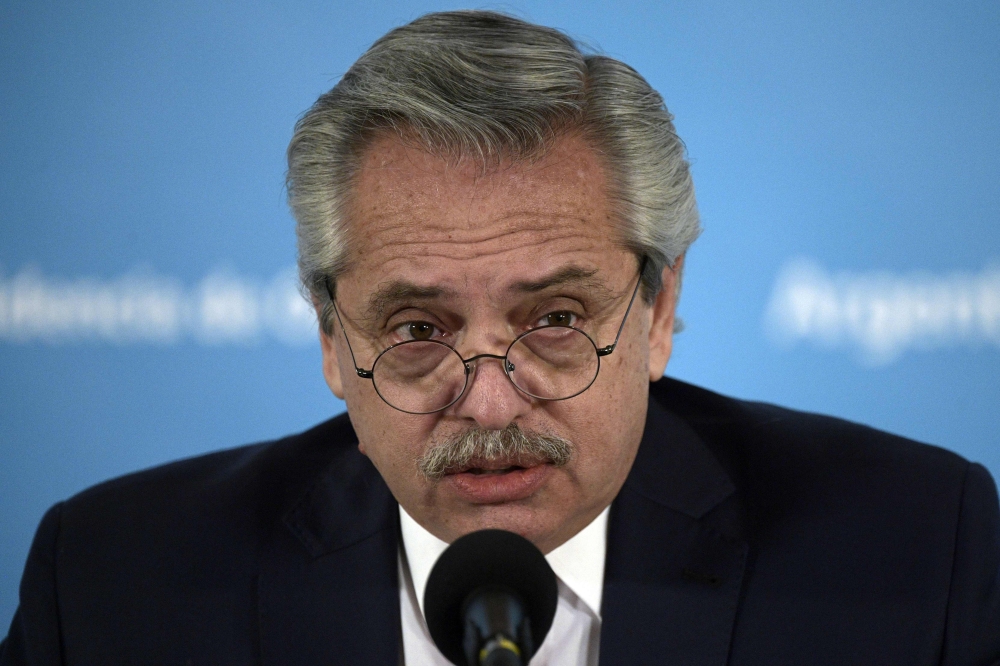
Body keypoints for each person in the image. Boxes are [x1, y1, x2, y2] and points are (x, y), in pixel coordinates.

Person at [2, 10, 998, 666]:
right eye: (420, 329)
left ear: (654, 313)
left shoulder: (915, 553)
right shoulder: (112, 590)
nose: (487, 401)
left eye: (555, 320)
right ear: (329, 339)